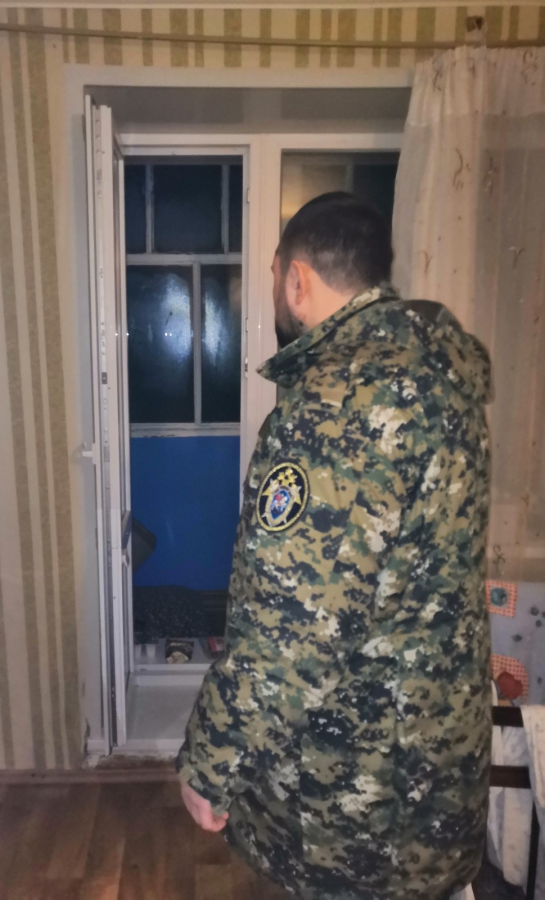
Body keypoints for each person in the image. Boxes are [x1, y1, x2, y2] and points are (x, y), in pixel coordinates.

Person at [177, 192, 492, 900]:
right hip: (436, 758)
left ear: (296, 279)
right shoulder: (442, 377)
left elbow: (292, 630)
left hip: (357, 789)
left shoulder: (336, 406)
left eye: (273, 276)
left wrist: (209, 762)